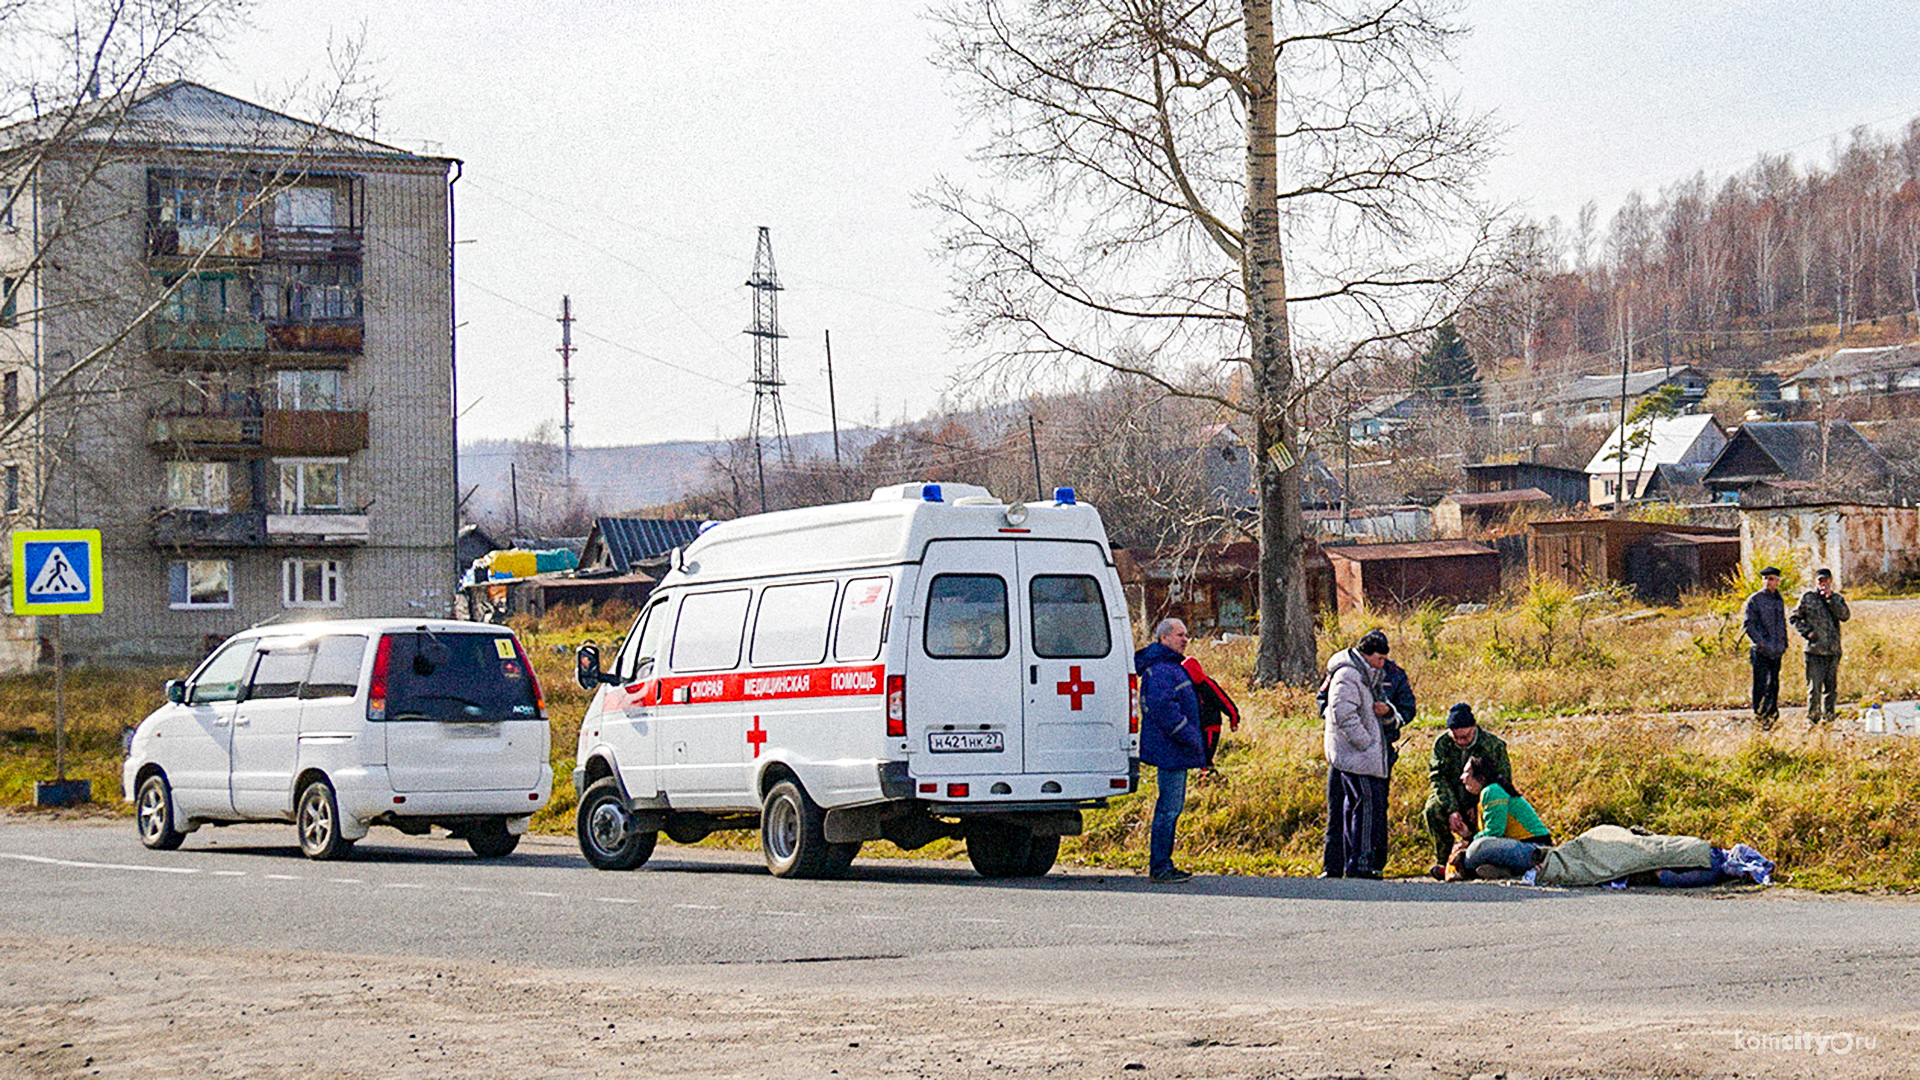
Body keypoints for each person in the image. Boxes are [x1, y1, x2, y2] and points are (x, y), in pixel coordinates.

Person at [1135, 618, 1206, 883]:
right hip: (1172, 750)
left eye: (1186, 634)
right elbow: (1166, 710)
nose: (1185, 639)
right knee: (1169, 809)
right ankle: (1161, 867)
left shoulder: (1169, 667)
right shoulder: (1163, 669)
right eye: (1179, 634)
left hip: (1174, 749)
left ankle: (1164, 863)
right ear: (1163, 638)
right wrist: (1191, 736)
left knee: (1171, 808)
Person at [1321, 630, 1391, 879]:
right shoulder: (1348, 675)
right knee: (1365, 808)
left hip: (1359, 755)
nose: (1383, 664)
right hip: (1355, 755)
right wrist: (1365, 742)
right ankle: (1359, 863)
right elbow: (1343, 713)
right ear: (1366, 654)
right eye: (1380, 658)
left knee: (1357, 808)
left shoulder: (1364, 674)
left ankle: (1355, 862)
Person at [1423, 702, 1511, 880]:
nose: (1462, 741)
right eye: (1457, 738)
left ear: (1474, 727)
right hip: (1452, 794)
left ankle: (1475, 861)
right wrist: (1452, 810)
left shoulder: (1493, 746)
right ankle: (1445, 862)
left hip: (1483, 796)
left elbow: (1502, 782)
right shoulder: (1442, 744)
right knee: (1432, 809)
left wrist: (1479, 805)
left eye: (1466, 737)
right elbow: (1437, 778)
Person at [1455, 755, 1551, 880]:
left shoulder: (1492, 791)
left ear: (1481, 776)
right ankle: (1502, 871)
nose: (1462, 778)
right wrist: (1467, 835)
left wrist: (1469, 842)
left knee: (1477, 848)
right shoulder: (1489, 792)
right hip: (1520, 848)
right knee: (1472, 847)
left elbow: (1495, 832)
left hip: (1533, 849)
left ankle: (1462, 870)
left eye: (1467, 773)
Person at [1790, 568, 1850, 725]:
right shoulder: (1808, 598)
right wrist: (1807, 633)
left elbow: (1844, 616)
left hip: (1832, 650)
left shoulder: (1837, 598)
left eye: (1826, 581)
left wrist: (1830, 599)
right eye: (1820, 581)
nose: (1823, 585)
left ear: (1830, 582)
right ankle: (1813, 718)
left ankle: (1829, 718)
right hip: (1814, 650)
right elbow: (1794, 617)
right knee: (1814, 688)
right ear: (1815, 582)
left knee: (1831, 689)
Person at [1742, 567, 1788, 729]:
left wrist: (1783, 643)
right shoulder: (1755, 599)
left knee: (1774, 684)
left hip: (1776, 650)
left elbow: (1781, 623)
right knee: (1761, 684)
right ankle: (1760, 716)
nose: (1768, 581)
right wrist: (1760, 643)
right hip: (1761, 651)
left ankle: (1772, 716)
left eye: (1771, 578)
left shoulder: (1778, 599)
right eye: (1765, 578)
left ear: (1777, 581)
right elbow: (1748, 625)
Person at [1181, 652, 1241, 775]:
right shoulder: (1186, 688)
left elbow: (1224, 701)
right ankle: (1207, 779)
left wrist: (1233, 718)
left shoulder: (1207, 684)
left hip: (1211, 726)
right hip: (1196, 727)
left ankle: (1208, 780)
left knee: (1205, 756)